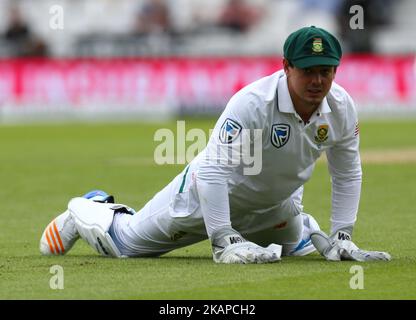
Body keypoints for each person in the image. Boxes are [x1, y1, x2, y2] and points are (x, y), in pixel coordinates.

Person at [40, 26, 391, 263]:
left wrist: (343, 233)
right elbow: (212, 169)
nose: (318, 80)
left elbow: (346, 172)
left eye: (326, 71)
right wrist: (224, 239)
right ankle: (90, 207)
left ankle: (301, 229)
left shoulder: (341, 107)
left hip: (274, 207)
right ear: (286, 66)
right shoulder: (253, 103)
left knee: (287, 248)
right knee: (127, 246)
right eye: (308, 70)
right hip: (205, 199)